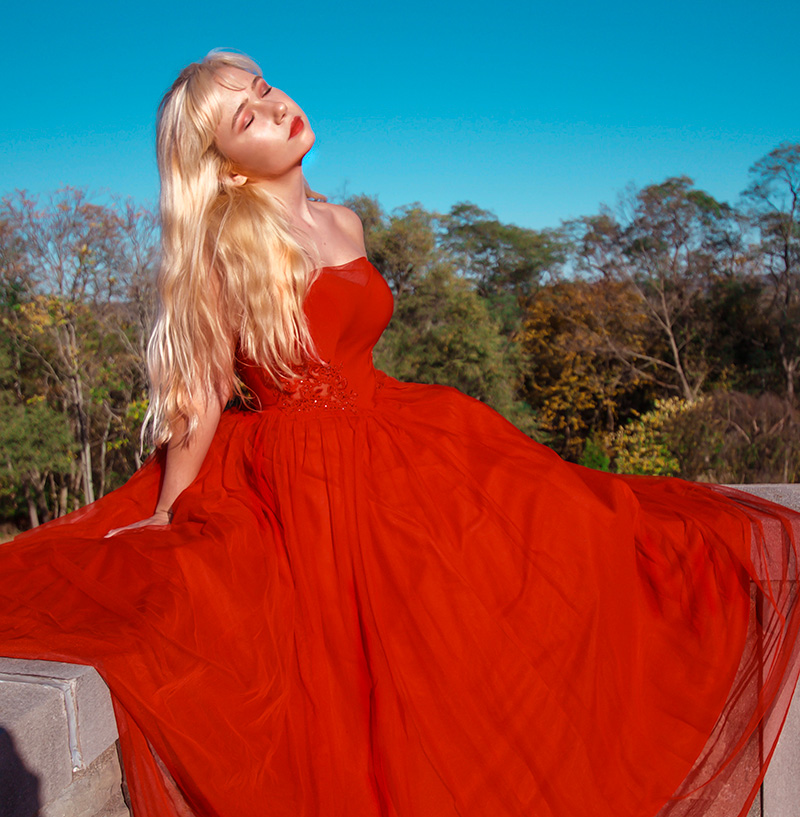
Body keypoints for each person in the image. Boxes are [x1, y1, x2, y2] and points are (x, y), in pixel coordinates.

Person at [1, 49, 799, 817]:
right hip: (301, 473)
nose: (276, 106)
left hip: (398, 430)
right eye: (248, 115)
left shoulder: (342, 218)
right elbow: (203, 390)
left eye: (266, 88)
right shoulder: (231, 244)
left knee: (577, 535)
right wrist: (171, 505)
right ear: (230, 164)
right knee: (359, 677)